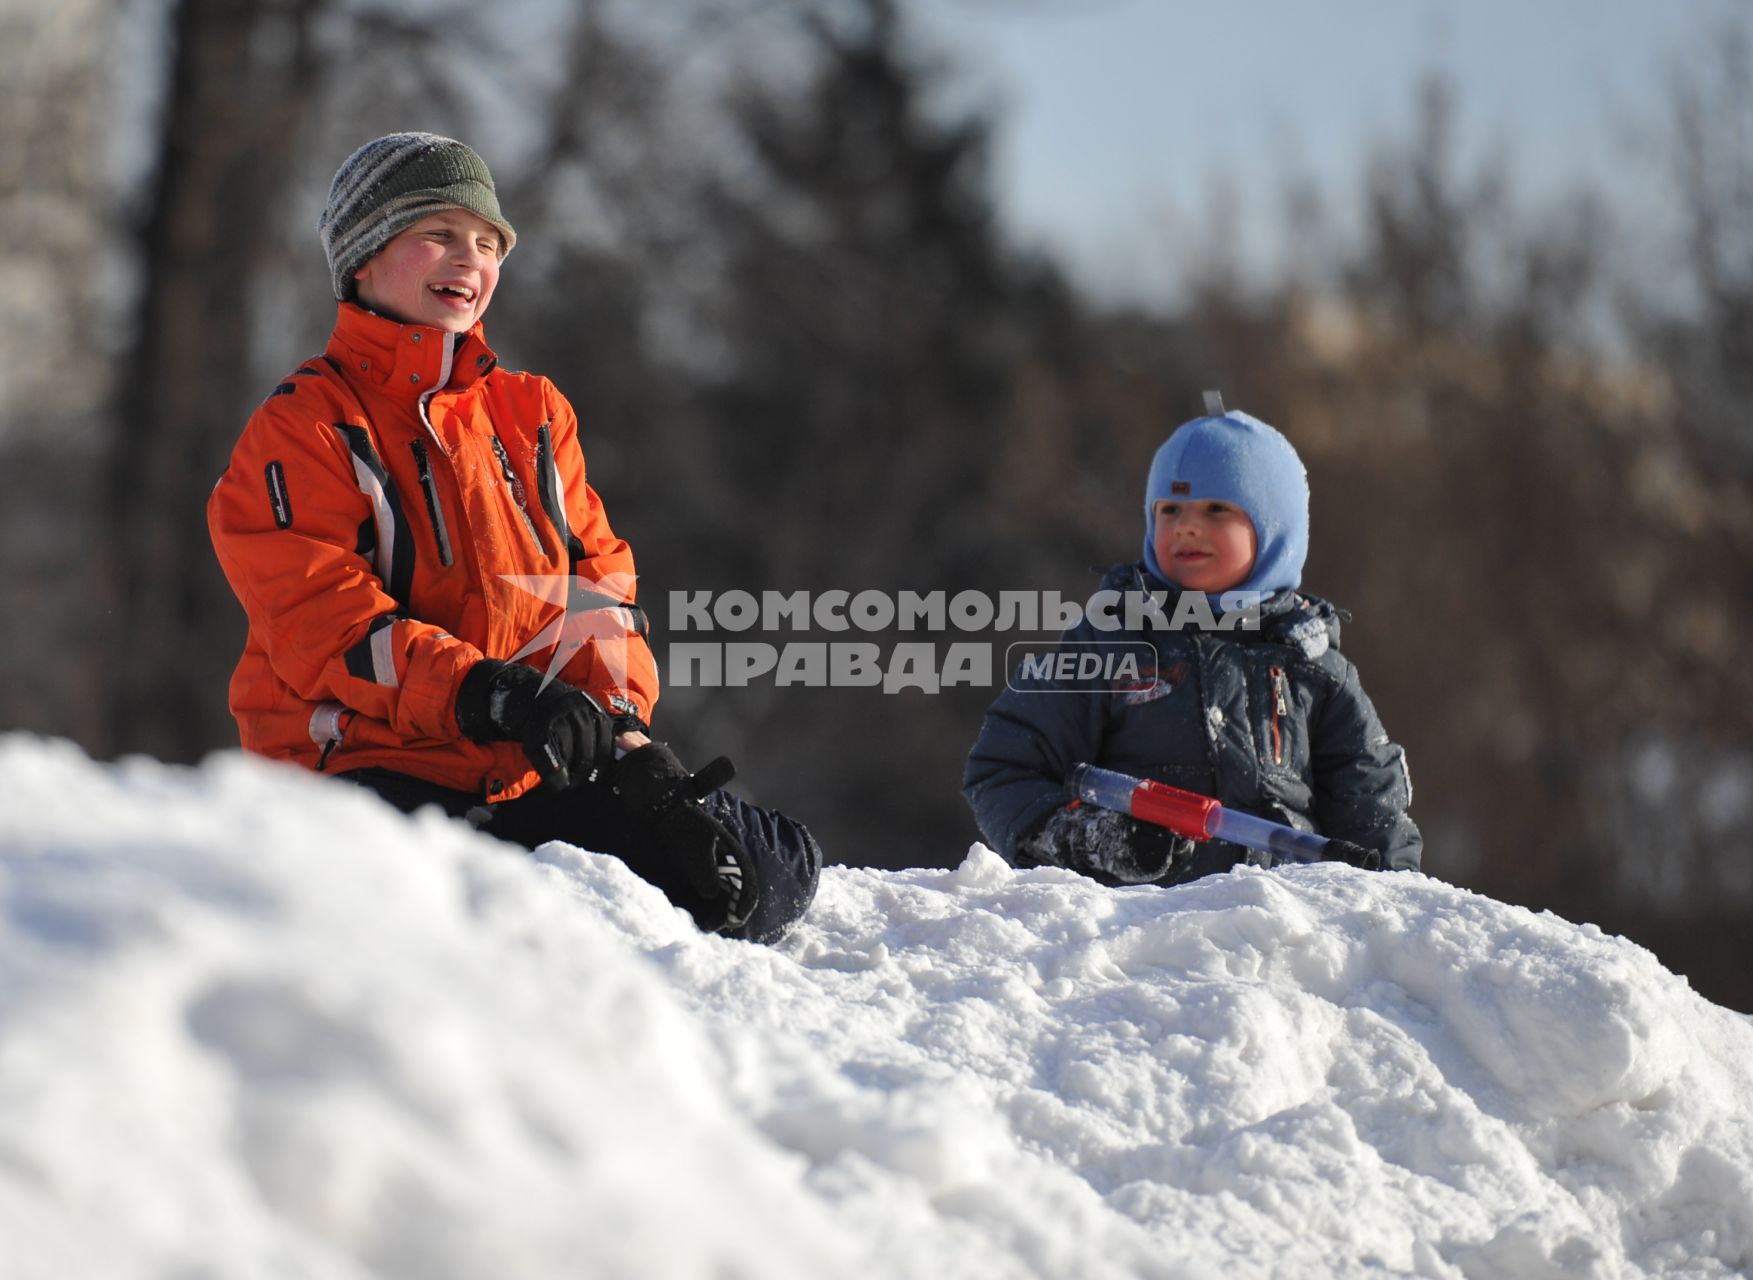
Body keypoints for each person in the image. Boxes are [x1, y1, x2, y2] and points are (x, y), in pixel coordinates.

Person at [208, 132, 819, 942]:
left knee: (763, 875)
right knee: (474, 925)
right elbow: (325, 624)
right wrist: (490, 693)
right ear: (363, 256)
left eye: (488, 242)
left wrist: (620, 729)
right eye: (438, 233)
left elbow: (598, 586)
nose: (469, 258)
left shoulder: (531, 413)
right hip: (362, 767)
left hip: (520, 760)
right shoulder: (306, 427)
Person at [962, 400, 1421, 886]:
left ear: (1274, 532)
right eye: (1170, 509)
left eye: (1216, 508)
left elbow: (1374, 819)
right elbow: (1004, 770)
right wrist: (1091, 839)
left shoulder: (1314, 666)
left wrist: (1389, 915)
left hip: (1285, 936)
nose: (1185, 525)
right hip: (1140, 940)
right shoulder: (1107, 644)